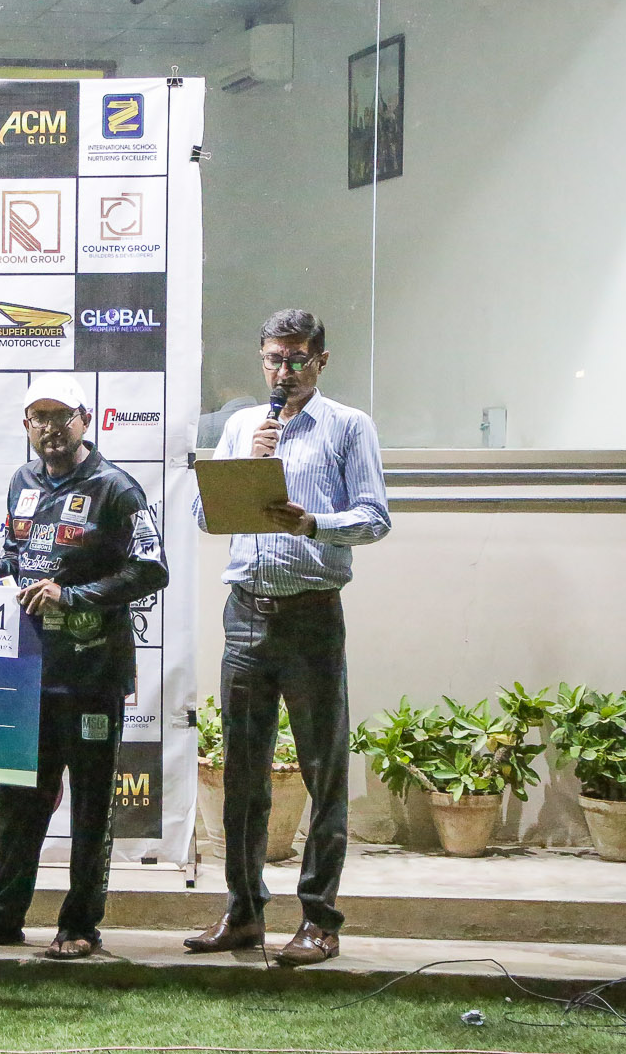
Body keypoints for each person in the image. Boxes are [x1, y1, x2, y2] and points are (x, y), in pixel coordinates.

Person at [0, 372, 168, 960]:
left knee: (90, 807)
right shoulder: (22, 480)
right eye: (40, 418)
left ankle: (81, 925)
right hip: (28, 674)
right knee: (17, 802)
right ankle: (0, 917)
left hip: (92, 676)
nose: (51, 428)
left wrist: (76, 597)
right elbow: (22, 549)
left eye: (62, 416)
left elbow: (152, 569)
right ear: (26, 425)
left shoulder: (117, 488)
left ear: (84, 420)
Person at [185, 309, 391, 967]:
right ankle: (243, 912)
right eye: (275, 359)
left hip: (311, 617)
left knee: (323, 772)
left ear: (321, 361)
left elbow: (374, 517)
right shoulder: (242, 427)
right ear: (261, 359)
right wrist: (248, 465)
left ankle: (319, 921)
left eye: (298, 358)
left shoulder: (348, 427)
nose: (285, 371)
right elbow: (205, 515)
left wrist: (313, 524)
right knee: (243, 775)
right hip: (245, 614)